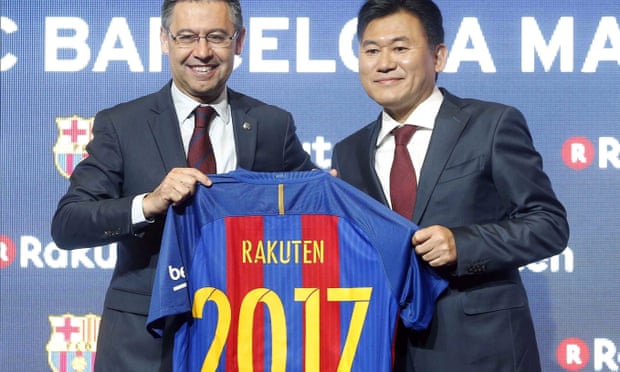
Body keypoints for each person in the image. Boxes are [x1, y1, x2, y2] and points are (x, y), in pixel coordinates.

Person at [51, 0, 314, 370]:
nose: (202, 52)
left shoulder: (272, 125)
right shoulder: (122, 124)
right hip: (143, 345)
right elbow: (68, 225)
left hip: (245, 338)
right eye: (187, 37)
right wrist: (148, 203)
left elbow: (313, 205)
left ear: (239, 42)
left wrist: (327, 197)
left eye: (217, 37)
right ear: (165, 40)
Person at [331, 0, 569, 371]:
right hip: (385, 349)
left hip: (482, 351)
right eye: (371, 50)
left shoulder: (491, 124)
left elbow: (548, 225)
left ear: (438, 56)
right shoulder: (348, 153)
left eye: (400, 48)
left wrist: (463, 244)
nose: (384, 63)